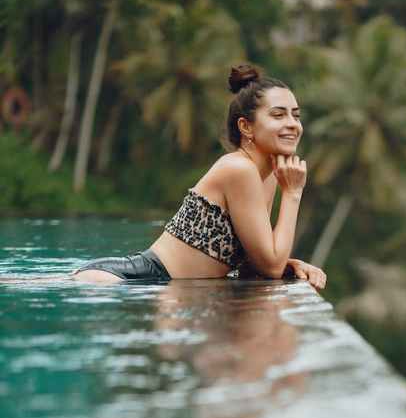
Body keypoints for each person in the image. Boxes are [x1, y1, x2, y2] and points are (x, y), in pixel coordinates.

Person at [72, 64, 326, 291]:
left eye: (296, 115)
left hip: (159, 286)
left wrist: (289, 264)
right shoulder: (239, 169)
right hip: (127, 279)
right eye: (279, 115)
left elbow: (258, 262)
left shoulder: (268, 175)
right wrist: (293, 194)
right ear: (246, 127)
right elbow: (270, 267)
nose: (293, 123)